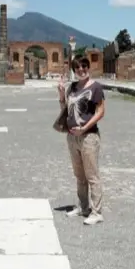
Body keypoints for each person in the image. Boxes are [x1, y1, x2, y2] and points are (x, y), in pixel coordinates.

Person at [57, 55, 105, 225]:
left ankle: (97, 212)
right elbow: (66, 110)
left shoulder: (96, 87)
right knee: (79, 175)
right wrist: (62, 95)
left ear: (88, 68)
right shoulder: (72, 87)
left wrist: (85, 127)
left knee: (92, 175)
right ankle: (83, 206)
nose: (81, 70)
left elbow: (100, 112)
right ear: (74, 70)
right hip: (72, 137)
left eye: (84, 67)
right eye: (78, 68)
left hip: (88, 137)